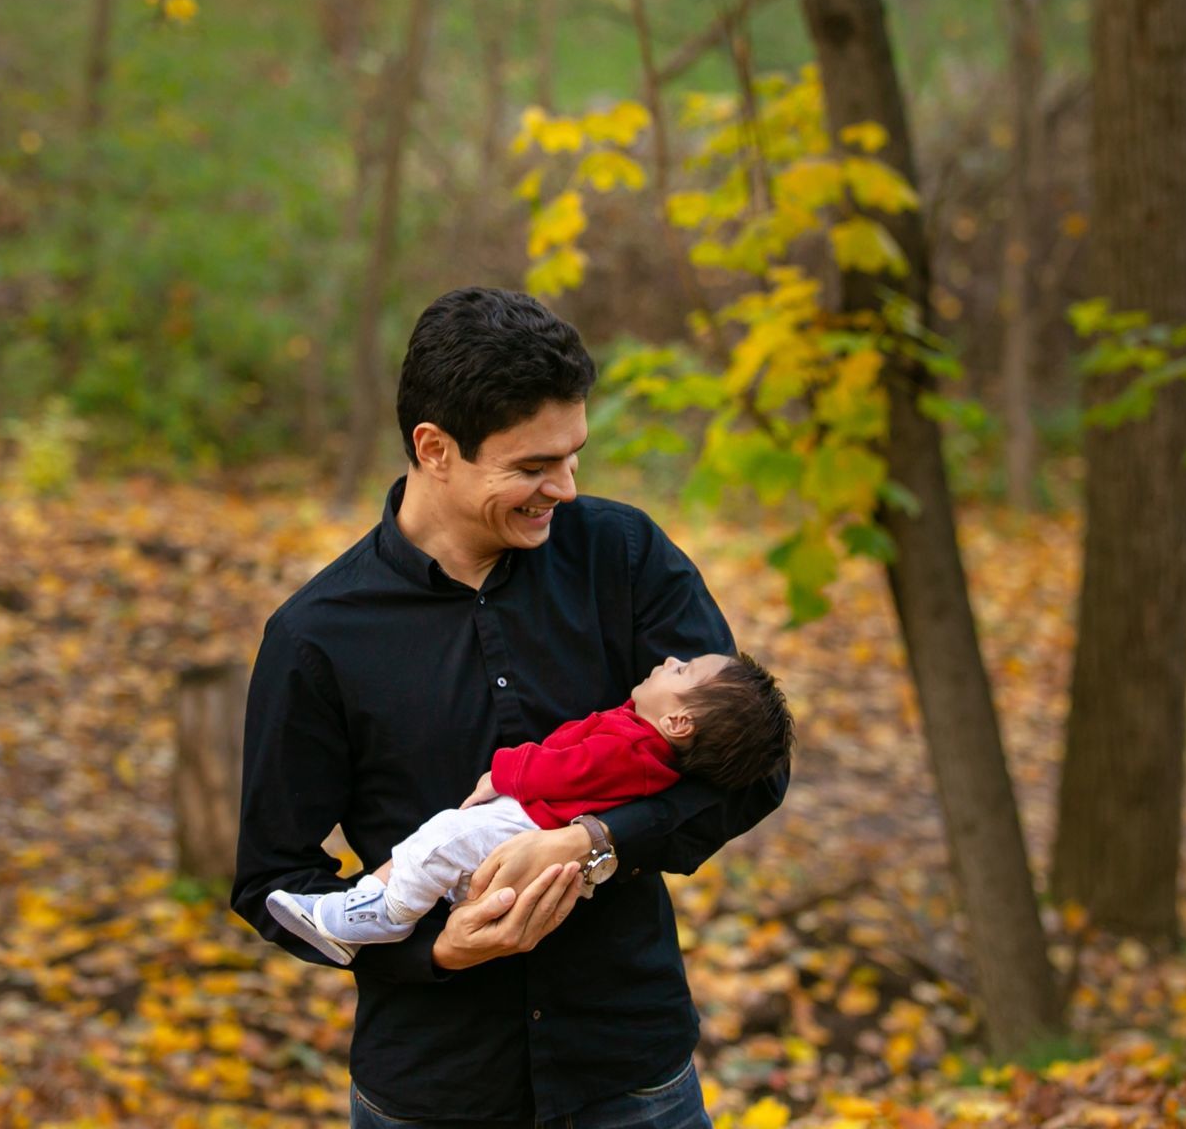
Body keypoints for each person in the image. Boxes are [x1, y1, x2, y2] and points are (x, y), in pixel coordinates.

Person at [231, 287, 790, 1128]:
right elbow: (273, 881)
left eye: (573, 456)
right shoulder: (319, 636)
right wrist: (437, 950)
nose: (565, 488)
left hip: (629, 1074)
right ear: (435, 448)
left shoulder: (624, 556)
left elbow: (754, 766)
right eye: (532, 467)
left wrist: (596, 842)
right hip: (436, 1089)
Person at [265, 651, 792, 966]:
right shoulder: (642, 738)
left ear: (679, 724)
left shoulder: (632, 749)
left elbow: (565, 768)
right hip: (540, 822)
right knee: (436, 844)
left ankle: (390, 915)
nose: (672, 660)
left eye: (683, 672)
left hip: (533, 822)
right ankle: (353, 911)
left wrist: (504, 770)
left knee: (446, 837)